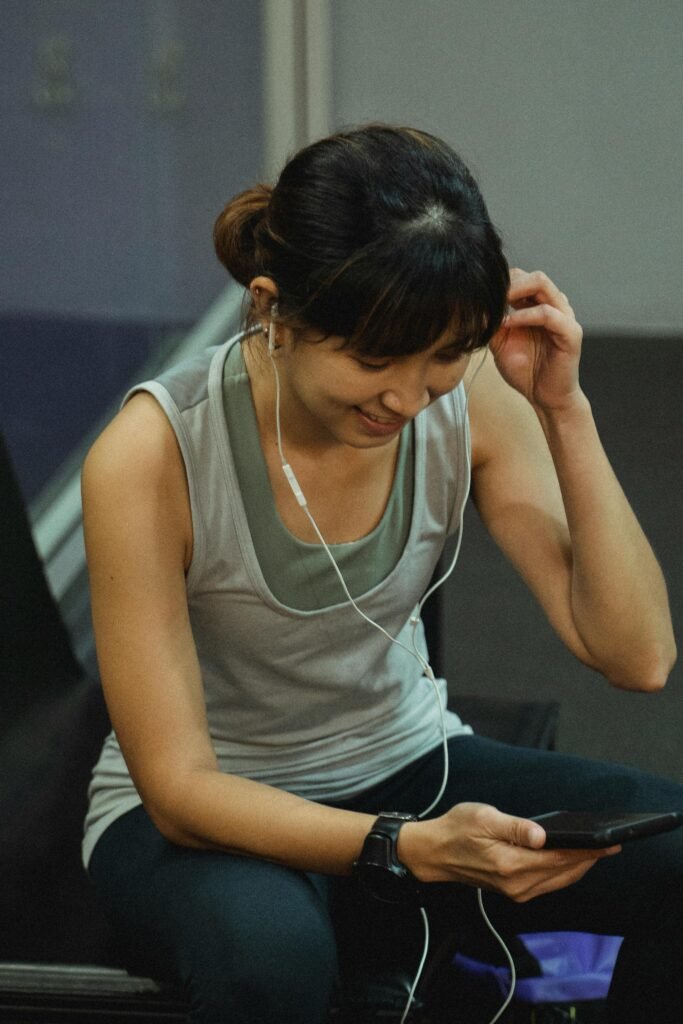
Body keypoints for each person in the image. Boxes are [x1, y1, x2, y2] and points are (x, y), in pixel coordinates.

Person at [82, 124, 680, 1024]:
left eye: (440, 356)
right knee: (270, 961)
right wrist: (403, 848)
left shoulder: (469, 394)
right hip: (214, 805)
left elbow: (636, 657)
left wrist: (563, 410)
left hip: (405, 765)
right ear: (271, 310)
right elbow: (178, 791)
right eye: (371, 360)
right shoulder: (151, 454)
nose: (405, 399)